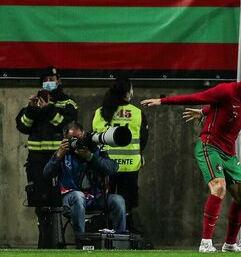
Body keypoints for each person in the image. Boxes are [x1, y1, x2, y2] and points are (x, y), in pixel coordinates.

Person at [141, 58, 241, 253]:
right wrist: (163, 101)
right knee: (219, 187)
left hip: (229, 153)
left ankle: (230, 244)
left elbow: (224, 109)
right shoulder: (227, 90)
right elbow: (197, 97)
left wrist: (204, 113)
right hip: (209, 146)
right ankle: (205, 243)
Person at [15, 66, 78, 247]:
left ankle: (58, 241)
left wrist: (49, 108)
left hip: (60, 161)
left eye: (53, 78)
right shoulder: (34, 103)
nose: (50, 82)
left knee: (58, 202)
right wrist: (31, 109)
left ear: (59, 81)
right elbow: (23, 126)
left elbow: (65, 125)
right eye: (46, 79)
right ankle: (44, 242)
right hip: (36, 162)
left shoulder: (68, 104)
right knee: (40, 203)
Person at [43, 121, 127, 236]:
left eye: (79, 138)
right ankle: (81, 239)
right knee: (78, 196)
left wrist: (91, 157)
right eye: (73, 139)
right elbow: (47, 174)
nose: (78, 142)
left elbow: (112, 168)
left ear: (83, 135)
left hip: (96, 198)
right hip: (71, 197)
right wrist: (57, 157)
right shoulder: (63, 153)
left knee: (118, 200)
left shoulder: (94, 149)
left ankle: (119, 240)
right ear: (65, 139)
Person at [92, 77, 148, 212]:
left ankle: (107, 229)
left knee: (105, 204)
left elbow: (94, 138)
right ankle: (126, 228)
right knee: (127, 206)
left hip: (105, 166)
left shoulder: (100, 112)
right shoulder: (137, 113)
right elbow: (143, 140)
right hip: (130, 167)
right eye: (131, 89)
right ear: (127, 92)